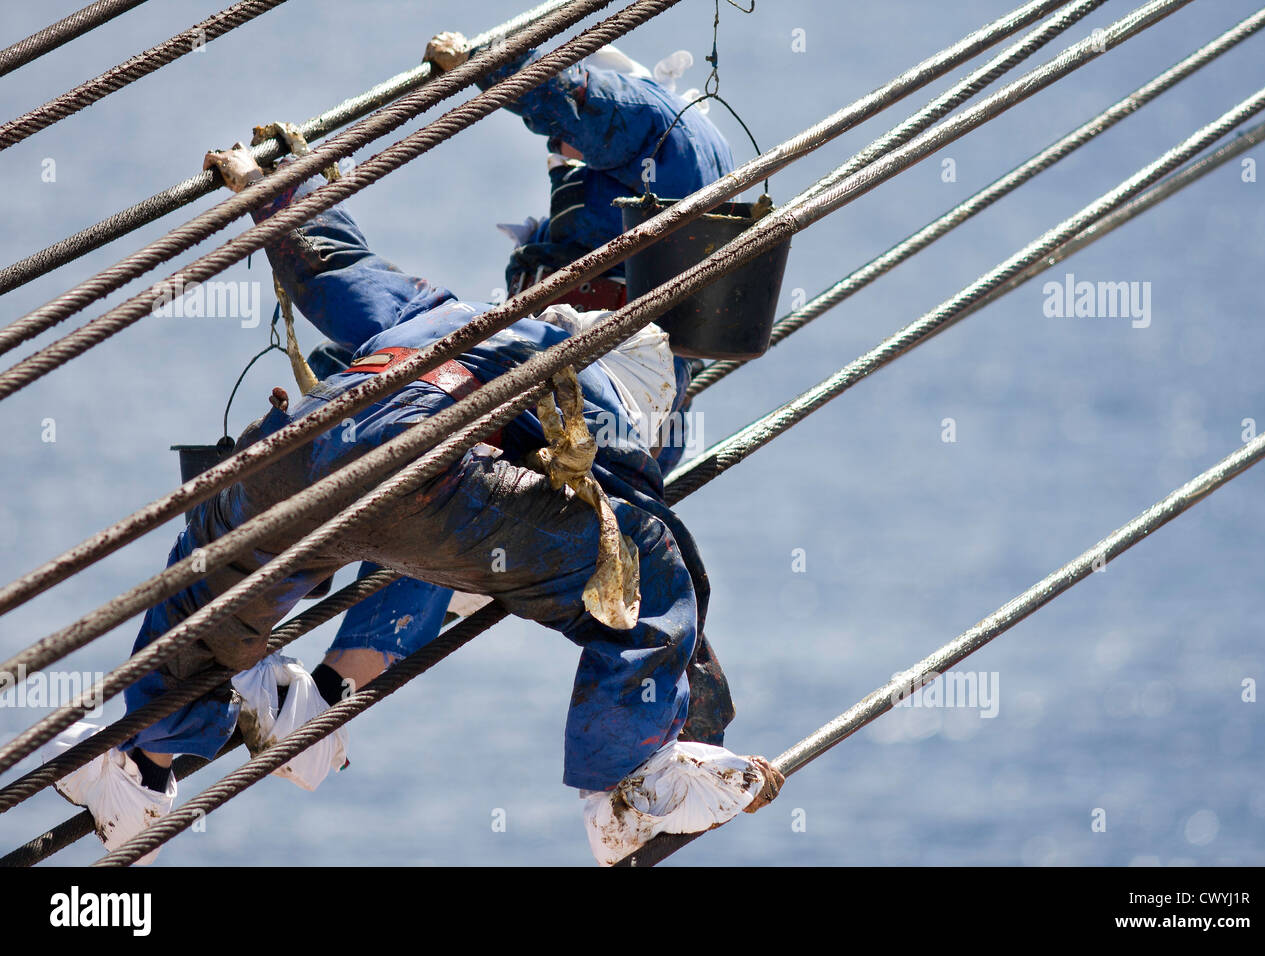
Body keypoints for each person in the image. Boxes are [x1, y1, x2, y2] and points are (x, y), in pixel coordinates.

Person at [41, 40, 781, 866]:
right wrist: (505, 70)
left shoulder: (456, 312)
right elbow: (614, 513)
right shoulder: (597, 371)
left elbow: (340, 274)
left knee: (212, 579)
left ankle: (138, 764)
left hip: (304, 452)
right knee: (643, 565)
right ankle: (627, 788)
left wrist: (283, 188)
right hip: (427, 477)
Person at [290, 32, 737, 760]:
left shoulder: (659, 130)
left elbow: (584, 102)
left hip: (593, 411)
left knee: (437, 462)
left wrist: (495, 67)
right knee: (426, 490)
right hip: (574, 413)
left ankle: (655, 749)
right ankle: (327, 703)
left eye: (566, 148)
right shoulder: (608, 219)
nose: (561, 157)